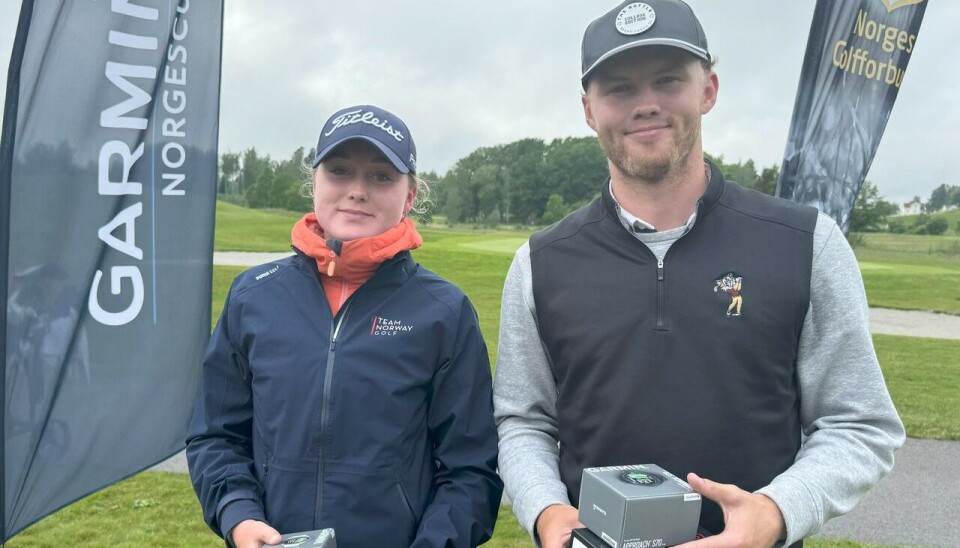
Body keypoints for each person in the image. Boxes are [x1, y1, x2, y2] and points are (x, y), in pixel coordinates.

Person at [492, 2, 905, 547]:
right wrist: (548, 511)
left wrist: (775, 513)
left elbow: (860, 424)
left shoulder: (807, 243)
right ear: (589, 110)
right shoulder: (540, 262)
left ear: (708, 89)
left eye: (668, 81)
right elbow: (524, 421)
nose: (646, 104)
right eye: (619, 89)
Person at [187, 104, 503, 548]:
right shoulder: (252, 296)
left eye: (380, 176)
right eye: (339, 170)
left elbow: (470, 471)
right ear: (313, 181)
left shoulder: (443, 311)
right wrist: (238, 515)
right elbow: (215, 435)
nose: (357, 191)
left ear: (409, 196)